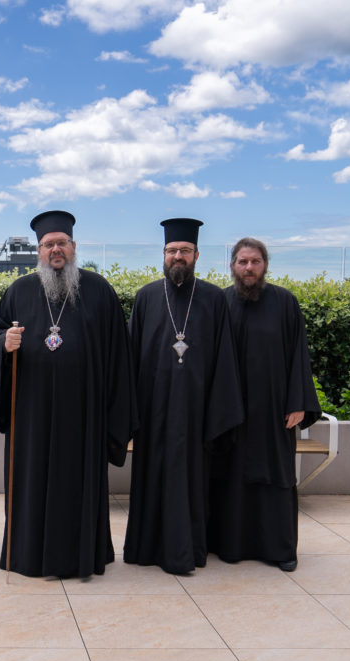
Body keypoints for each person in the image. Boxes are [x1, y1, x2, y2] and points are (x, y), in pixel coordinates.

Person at [0, 210, 136, 578]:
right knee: (30, 483)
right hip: (31, 417)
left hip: (82, 416)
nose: (56, 250)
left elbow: (119, 356)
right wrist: (2, 345)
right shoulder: (18, 291)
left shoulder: (100, 290)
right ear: (38, 251)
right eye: (48, 244)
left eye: (62, 243)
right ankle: (28, 555)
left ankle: (80, 556)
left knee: (77, 485)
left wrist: (113, 417)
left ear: (74, 247)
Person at [124, 217, 243, 574]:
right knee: (152, 477)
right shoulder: (146, 296)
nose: (179, 256)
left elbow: (225, 357)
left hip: (195, 410)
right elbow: (131, 356)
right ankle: (146, 548)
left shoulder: (213, 298)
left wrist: (217, 410)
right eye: (173, 250)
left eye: (185, 251)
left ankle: (187, 549)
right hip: (153, 409)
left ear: (196, 255)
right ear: (163, 254)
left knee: (191, 479)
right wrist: (130, 410)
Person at [209, 238, 321, 572]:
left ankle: (280, 549)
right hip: (230, 411)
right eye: (242, 262)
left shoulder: (285, 302)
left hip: (275, 413)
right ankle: (230, 546)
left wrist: (298, 402)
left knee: (275, 478)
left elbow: (298, 354)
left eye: (255, 262)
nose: (248, 268)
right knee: (230, 477)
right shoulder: (220, 302)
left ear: (265, 265)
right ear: (232, 265)